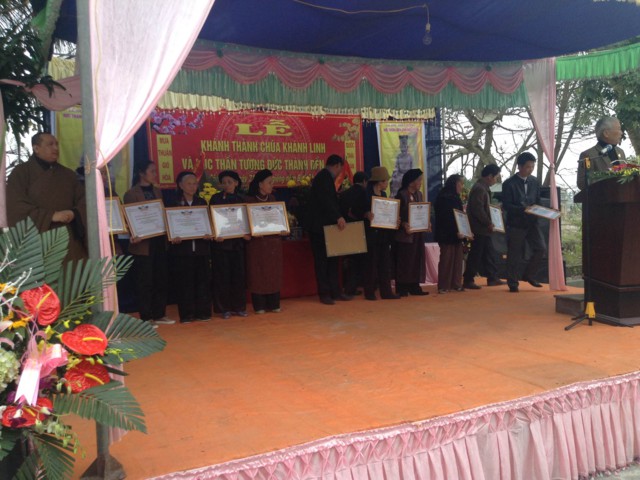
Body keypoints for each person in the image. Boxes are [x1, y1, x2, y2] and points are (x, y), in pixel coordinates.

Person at [7, 132, 87, 262]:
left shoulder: (68, 174)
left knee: (72, 273)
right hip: (36, 241)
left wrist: (73, 213)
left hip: (68, 240)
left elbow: (84, 202)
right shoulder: (21, 173)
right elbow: (15, 206)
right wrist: (50, 216)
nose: (55, 148)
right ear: (36, 148)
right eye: (50, 144)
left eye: (56, 144)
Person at [123, 161, 174, 326]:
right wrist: (134, 233)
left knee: (161, 279)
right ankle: (146, 317)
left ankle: (159, 314)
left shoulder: (157, 191)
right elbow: (130, 218)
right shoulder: (131, 194)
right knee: (145, 282)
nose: (155, 174)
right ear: (141, 173)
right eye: (152, 171)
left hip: (159, 241)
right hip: (143, 245)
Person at [166, 171, 212, 323]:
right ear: (181, 185)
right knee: (185, 283)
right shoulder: (174, 203)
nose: (193, 187)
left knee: (202, 282)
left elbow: (207, 223)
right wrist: (173, 236)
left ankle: (203, 313)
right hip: (182, 250)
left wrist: (208, 233)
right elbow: (169, 226)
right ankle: (187, 315)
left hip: (200, 249)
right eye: (189, 184)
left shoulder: (201, 202)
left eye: (195, 184)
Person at [307, 154, 351, 305]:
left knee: (333, 261)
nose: (340, 173)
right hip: (319, 228)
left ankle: (335, 291)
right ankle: (325, 293)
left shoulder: (324, 177)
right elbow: (326, 201)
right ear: (337, 165)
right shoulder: (324, 178)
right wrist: (338, 216)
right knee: (322, 262)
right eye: (340, 169)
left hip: (327, 227)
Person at [501, 152, 546, 293]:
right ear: (519, 166)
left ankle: (529, 275)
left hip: (532, 222)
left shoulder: (534, 181)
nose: (530, 169)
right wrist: (523, 209)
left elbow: (537, 200)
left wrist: (545, 211)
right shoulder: (509, 183)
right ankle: (513, 282)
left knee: (541, 248)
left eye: (532, 166)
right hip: (516, 223)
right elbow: (507, 205)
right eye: (528, 167)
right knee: (514, 254)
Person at [245, 169, 285, 313]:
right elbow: (245, 223)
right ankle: (259, 305)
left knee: (273, 272)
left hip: (273, 243)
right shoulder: (249, 201)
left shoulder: (273, 199)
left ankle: (274, 303)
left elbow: (279, 220)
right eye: (269, 182)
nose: (271, 185)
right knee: (258, 273)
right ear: (260, 184)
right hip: (256, 244)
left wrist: (283, 227)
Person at [210, 170, 249, 319]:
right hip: (221, 245)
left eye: (229, 182)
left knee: (238, 277)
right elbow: (211, 219)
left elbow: (248, 220)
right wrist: (215, 233)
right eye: (224, 182)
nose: (226, 185)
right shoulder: (216, 199)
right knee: (222, 277)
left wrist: (248, 233)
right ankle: (223, 309)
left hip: (238, 244)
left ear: (236, 183)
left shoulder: (242, 199)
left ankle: (239, 307)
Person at [462, 164, 504, 289]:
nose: (496, 180)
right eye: (496, 177)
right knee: (476, 254)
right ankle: (468, 279)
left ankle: (492, 277)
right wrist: (488, 223)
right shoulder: (480, 188)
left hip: (482, 228)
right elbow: (478, 209)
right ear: (490, 176)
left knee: (488, 253)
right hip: (479, 228)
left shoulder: (482, 187)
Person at [363, 166, 400, 301]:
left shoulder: (384, 195)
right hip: (371, 234)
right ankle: (369, 291)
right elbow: (357, 211)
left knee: (385, 264)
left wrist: (394, 220)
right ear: (379, 181)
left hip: (384, 234)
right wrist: (366, 214)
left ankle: (386, 291)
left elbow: (387, 214)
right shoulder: (366, 196)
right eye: (385, 181)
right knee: (371, 264)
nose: (387, 184)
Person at [394, 168, 428, 297]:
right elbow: (396, 215)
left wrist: (427, 223)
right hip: (405, 234)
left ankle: (414, 286)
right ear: (411, 182)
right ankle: (402, 287)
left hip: (417, 233)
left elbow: (422, 212)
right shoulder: (401, 195)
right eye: (419, 180)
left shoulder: (419, 194)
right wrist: (403, 224)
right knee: (405, 260)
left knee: (416, 259)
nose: (420, 182)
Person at [434, 174, 466, 294]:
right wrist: (456, 231)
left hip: (457, 233)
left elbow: (460, 216)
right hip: (446, 233)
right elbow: (444, 218)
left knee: (458, 259)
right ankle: (443, 285)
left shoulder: (456, 197)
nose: (462, 186)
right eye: (460, 183)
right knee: (446, 260)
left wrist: (463, 230)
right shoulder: (443, 198)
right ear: (454, 183)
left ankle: (456, 284)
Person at [338, 171, 369, 295]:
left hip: (346, 228)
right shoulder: (363, 193)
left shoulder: (344, 193)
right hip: (359, 229)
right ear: (364, 182)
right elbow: (364, 211)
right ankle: (352, 287)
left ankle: (346, 286)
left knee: (348, 259)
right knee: (358, 260)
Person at [577, 116, 625, 190]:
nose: (621, 133)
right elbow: (582, 184)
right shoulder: (589, 155)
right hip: (602, 196)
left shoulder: (620, 152)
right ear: (606, 133)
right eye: (619, 129)